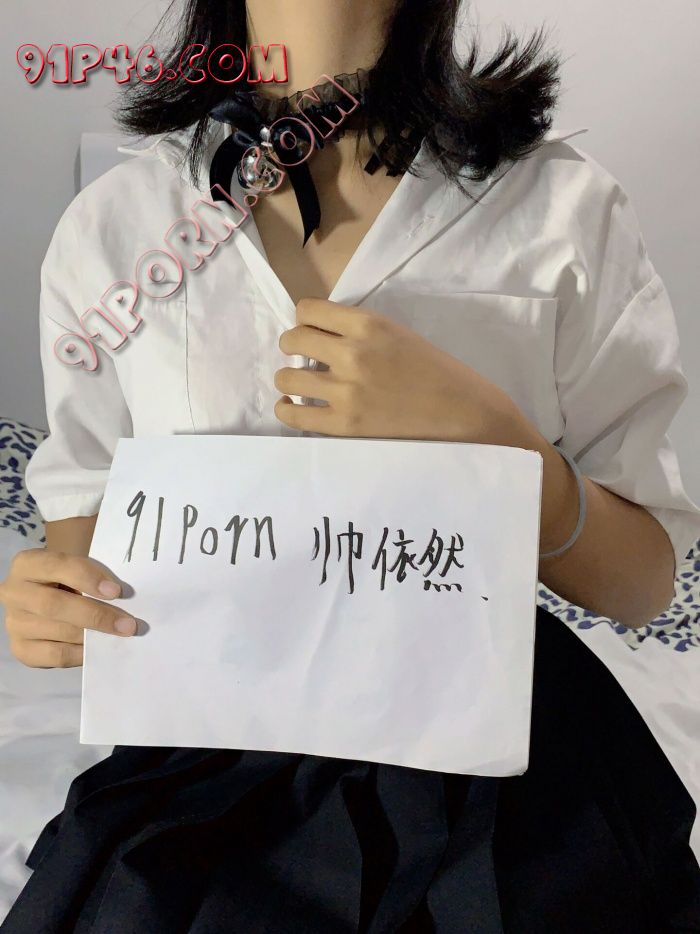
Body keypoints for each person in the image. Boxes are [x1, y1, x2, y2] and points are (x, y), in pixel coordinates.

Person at [1, 0, 700, 930]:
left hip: (499, 760)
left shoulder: (565, 209)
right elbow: (85, 537)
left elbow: (646, 583)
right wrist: (52, 606)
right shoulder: (117, 227)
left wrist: (497, 439)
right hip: (207, 763)